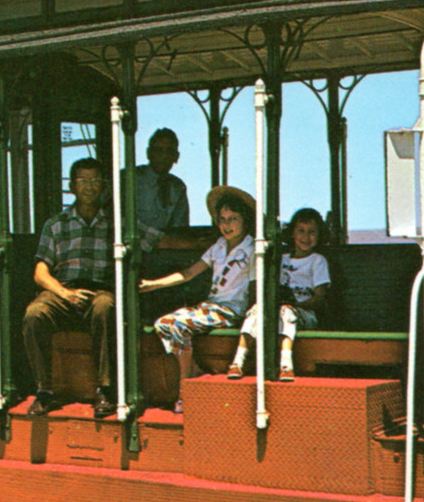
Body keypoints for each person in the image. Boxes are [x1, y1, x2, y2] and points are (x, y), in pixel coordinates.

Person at [23, 157, 165, 419]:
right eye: (82, 181)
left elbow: (158, 240)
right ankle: (45, 391)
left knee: (106, 307)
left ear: (104, 186)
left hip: (100, 290)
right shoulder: (56, 224)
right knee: (35, 314)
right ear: (72, 186)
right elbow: (40, 273)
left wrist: (210, 243)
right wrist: (65, 293)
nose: (88, 186)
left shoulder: (118, 223)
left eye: (94, 181)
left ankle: (105, 390)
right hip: (63, 290)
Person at [140, 186, 255, 414]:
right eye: (222, 219)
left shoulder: (252, 248)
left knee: (179, 325)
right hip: (210, 307)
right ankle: (193, 370)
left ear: (245, 220)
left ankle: (184, 388)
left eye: (233, 219)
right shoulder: (218, 246)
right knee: (163, 323)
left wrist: (249, 320)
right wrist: (153, 284)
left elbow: (254, 289)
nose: (226, 225)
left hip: (230, 311)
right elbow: (189, 273)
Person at [229, 207, 330, 383]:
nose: (306, 237)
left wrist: (297, 306)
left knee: (286, 312)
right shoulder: (280, 258)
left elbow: (319, 298)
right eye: (301, 231)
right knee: (257, 310)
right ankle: (238, 361)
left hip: (303, 314)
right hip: (277, 311)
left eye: (312, 232)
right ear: (292, 233)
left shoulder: (317, 260)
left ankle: (286, 364)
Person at [134, 129, 189, 231]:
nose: (163, 156)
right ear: (149, 153)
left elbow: (180, 228)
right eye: (158, 150)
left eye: (169, 151)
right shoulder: (131, 179)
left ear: (176, 157)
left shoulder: (178, 187)